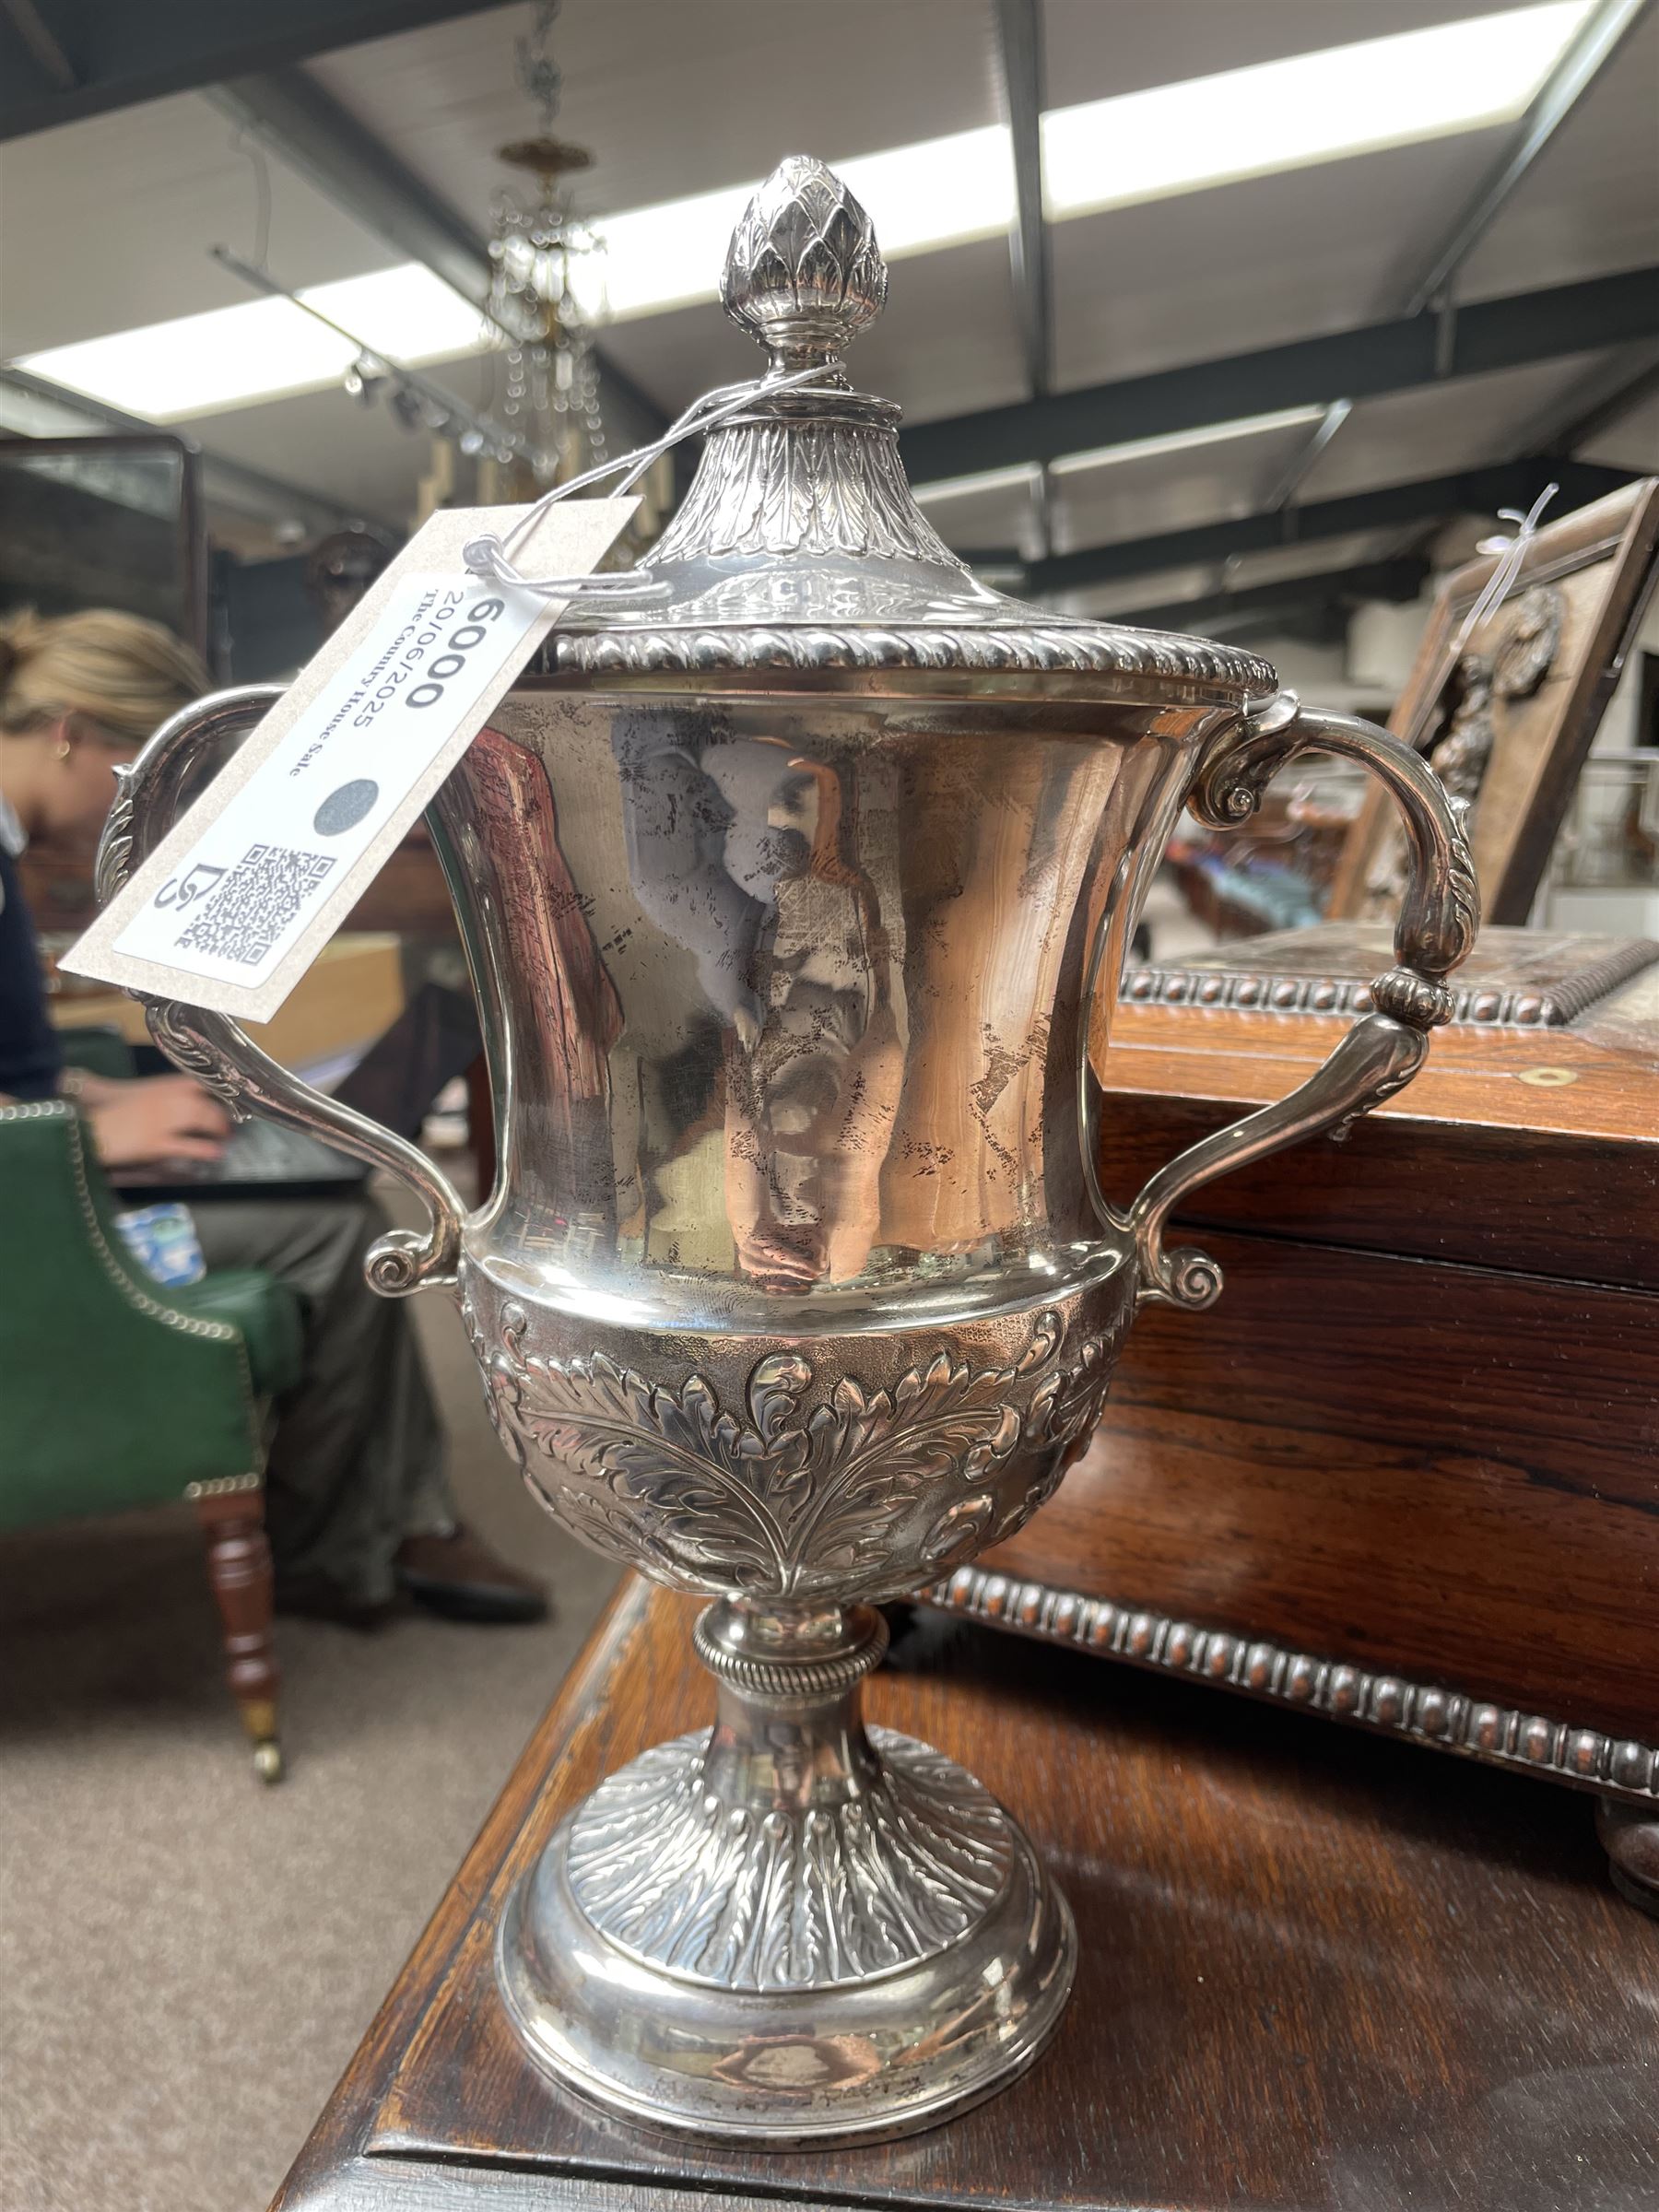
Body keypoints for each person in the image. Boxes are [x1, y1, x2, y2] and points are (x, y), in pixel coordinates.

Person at [0, 606, 545, 1626]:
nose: (151, 815)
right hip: (25, 1215)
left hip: (36, 1176)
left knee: (325, 1192)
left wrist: (89, 1096)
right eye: (145, 783)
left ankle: (374, 1529)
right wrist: (81, 1135)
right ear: (73, 733)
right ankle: (350, 1541)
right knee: (341, 1237)